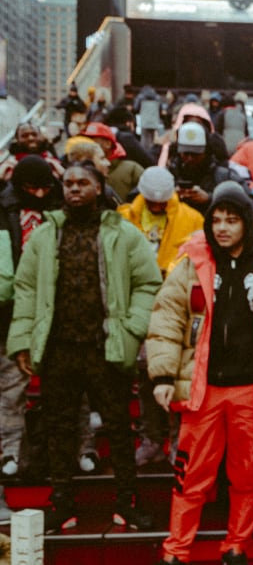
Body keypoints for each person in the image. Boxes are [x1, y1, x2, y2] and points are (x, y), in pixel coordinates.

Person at [147, 181, 253, 565]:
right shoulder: (191, 262)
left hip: (252, 390)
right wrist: (162, 376)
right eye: (217, 220)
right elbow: (166, 318)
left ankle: (237, 545)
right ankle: (176, 550)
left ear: (246, 222)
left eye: (231, 220)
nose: (222, 227)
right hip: (202, 389)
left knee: (247, 475)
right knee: (191, 475)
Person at [7, 164, 161, 532]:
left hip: (106, 348)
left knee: (120, 428)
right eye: (69, 183)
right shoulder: (45, 236)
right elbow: (26, 289)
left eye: (83, 183)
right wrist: (24, 342)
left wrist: (131, 329)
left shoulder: (123, 234)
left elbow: (148, 281)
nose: (74, 189)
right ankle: (61, 503)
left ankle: (127, 501)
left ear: (99, 188)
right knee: (59, 428)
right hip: (60, 349)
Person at [119, 167, 205, 468]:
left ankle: (178, 439)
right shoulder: (124, 216)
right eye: (151, 201)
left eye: (162, 201)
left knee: (179, 373)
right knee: (146, 374)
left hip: (179, 305)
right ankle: (152, 438)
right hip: (137, 305)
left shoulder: (193, 218)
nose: (156, 206)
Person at [0, 157, 62, 479]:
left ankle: (77, 447)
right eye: (30, 188)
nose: (38, 194)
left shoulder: (60, 207)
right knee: (11, 385)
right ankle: (11, 448)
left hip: (57, 306)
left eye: (44, 187)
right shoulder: (4, 209)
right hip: (10, 308)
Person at [167, 122, 252, 214]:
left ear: (206, 152)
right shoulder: (168, 175)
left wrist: (210, 198)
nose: (190, 158)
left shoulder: (225, 176)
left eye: (196, 154)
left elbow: (249, 202)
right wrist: (171, 196)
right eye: (186, 154)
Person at [81, 122, 144, 202]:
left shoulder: (131, 168)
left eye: (93, 141)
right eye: (85, 140)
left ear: (108, 144)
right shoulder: (78, 170)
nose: (87, 144)